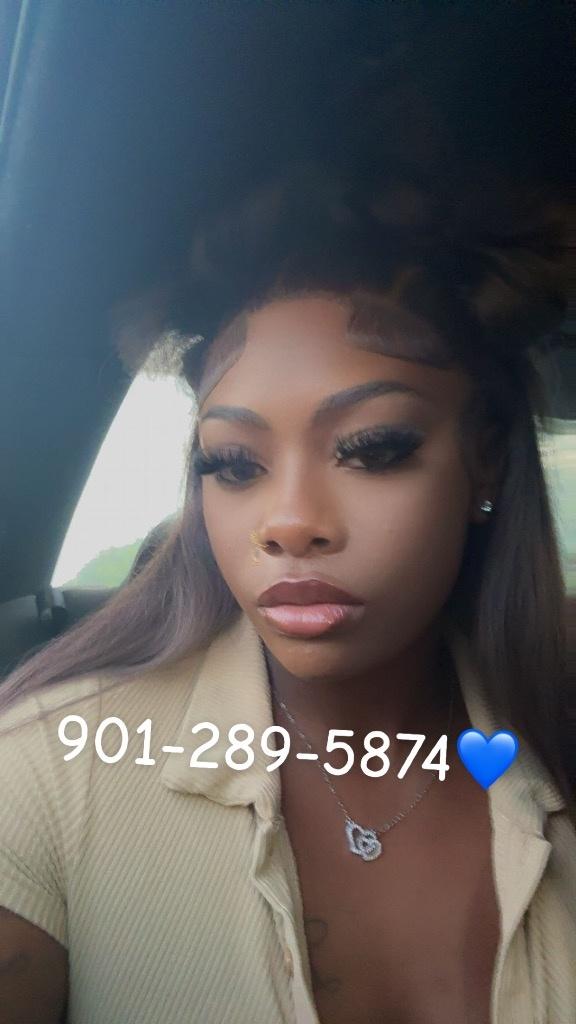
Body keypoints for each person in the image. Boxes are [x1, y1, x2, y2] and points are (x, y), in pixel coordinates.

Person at [0, 158, 574, 1024]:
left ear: (486, 459)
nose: (289, 522)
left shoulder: (556, 733)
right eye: (234, 463)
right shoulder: (43, 772)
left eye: (373, 448)